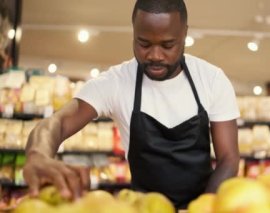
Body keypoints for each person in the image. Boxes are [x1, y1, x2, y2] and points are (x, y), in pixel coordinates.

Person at [23, 0, 240, 209]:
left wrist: (204, 208)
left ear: (184, 33)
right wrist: (38, 154)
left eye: (167, 45)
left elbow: (228, 158)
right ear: (134, 33)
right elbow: (58, 122)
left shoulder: (211, 80)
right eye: (144, 43)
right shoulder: (116, 82)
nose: (155, 55)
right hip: (142, 208)